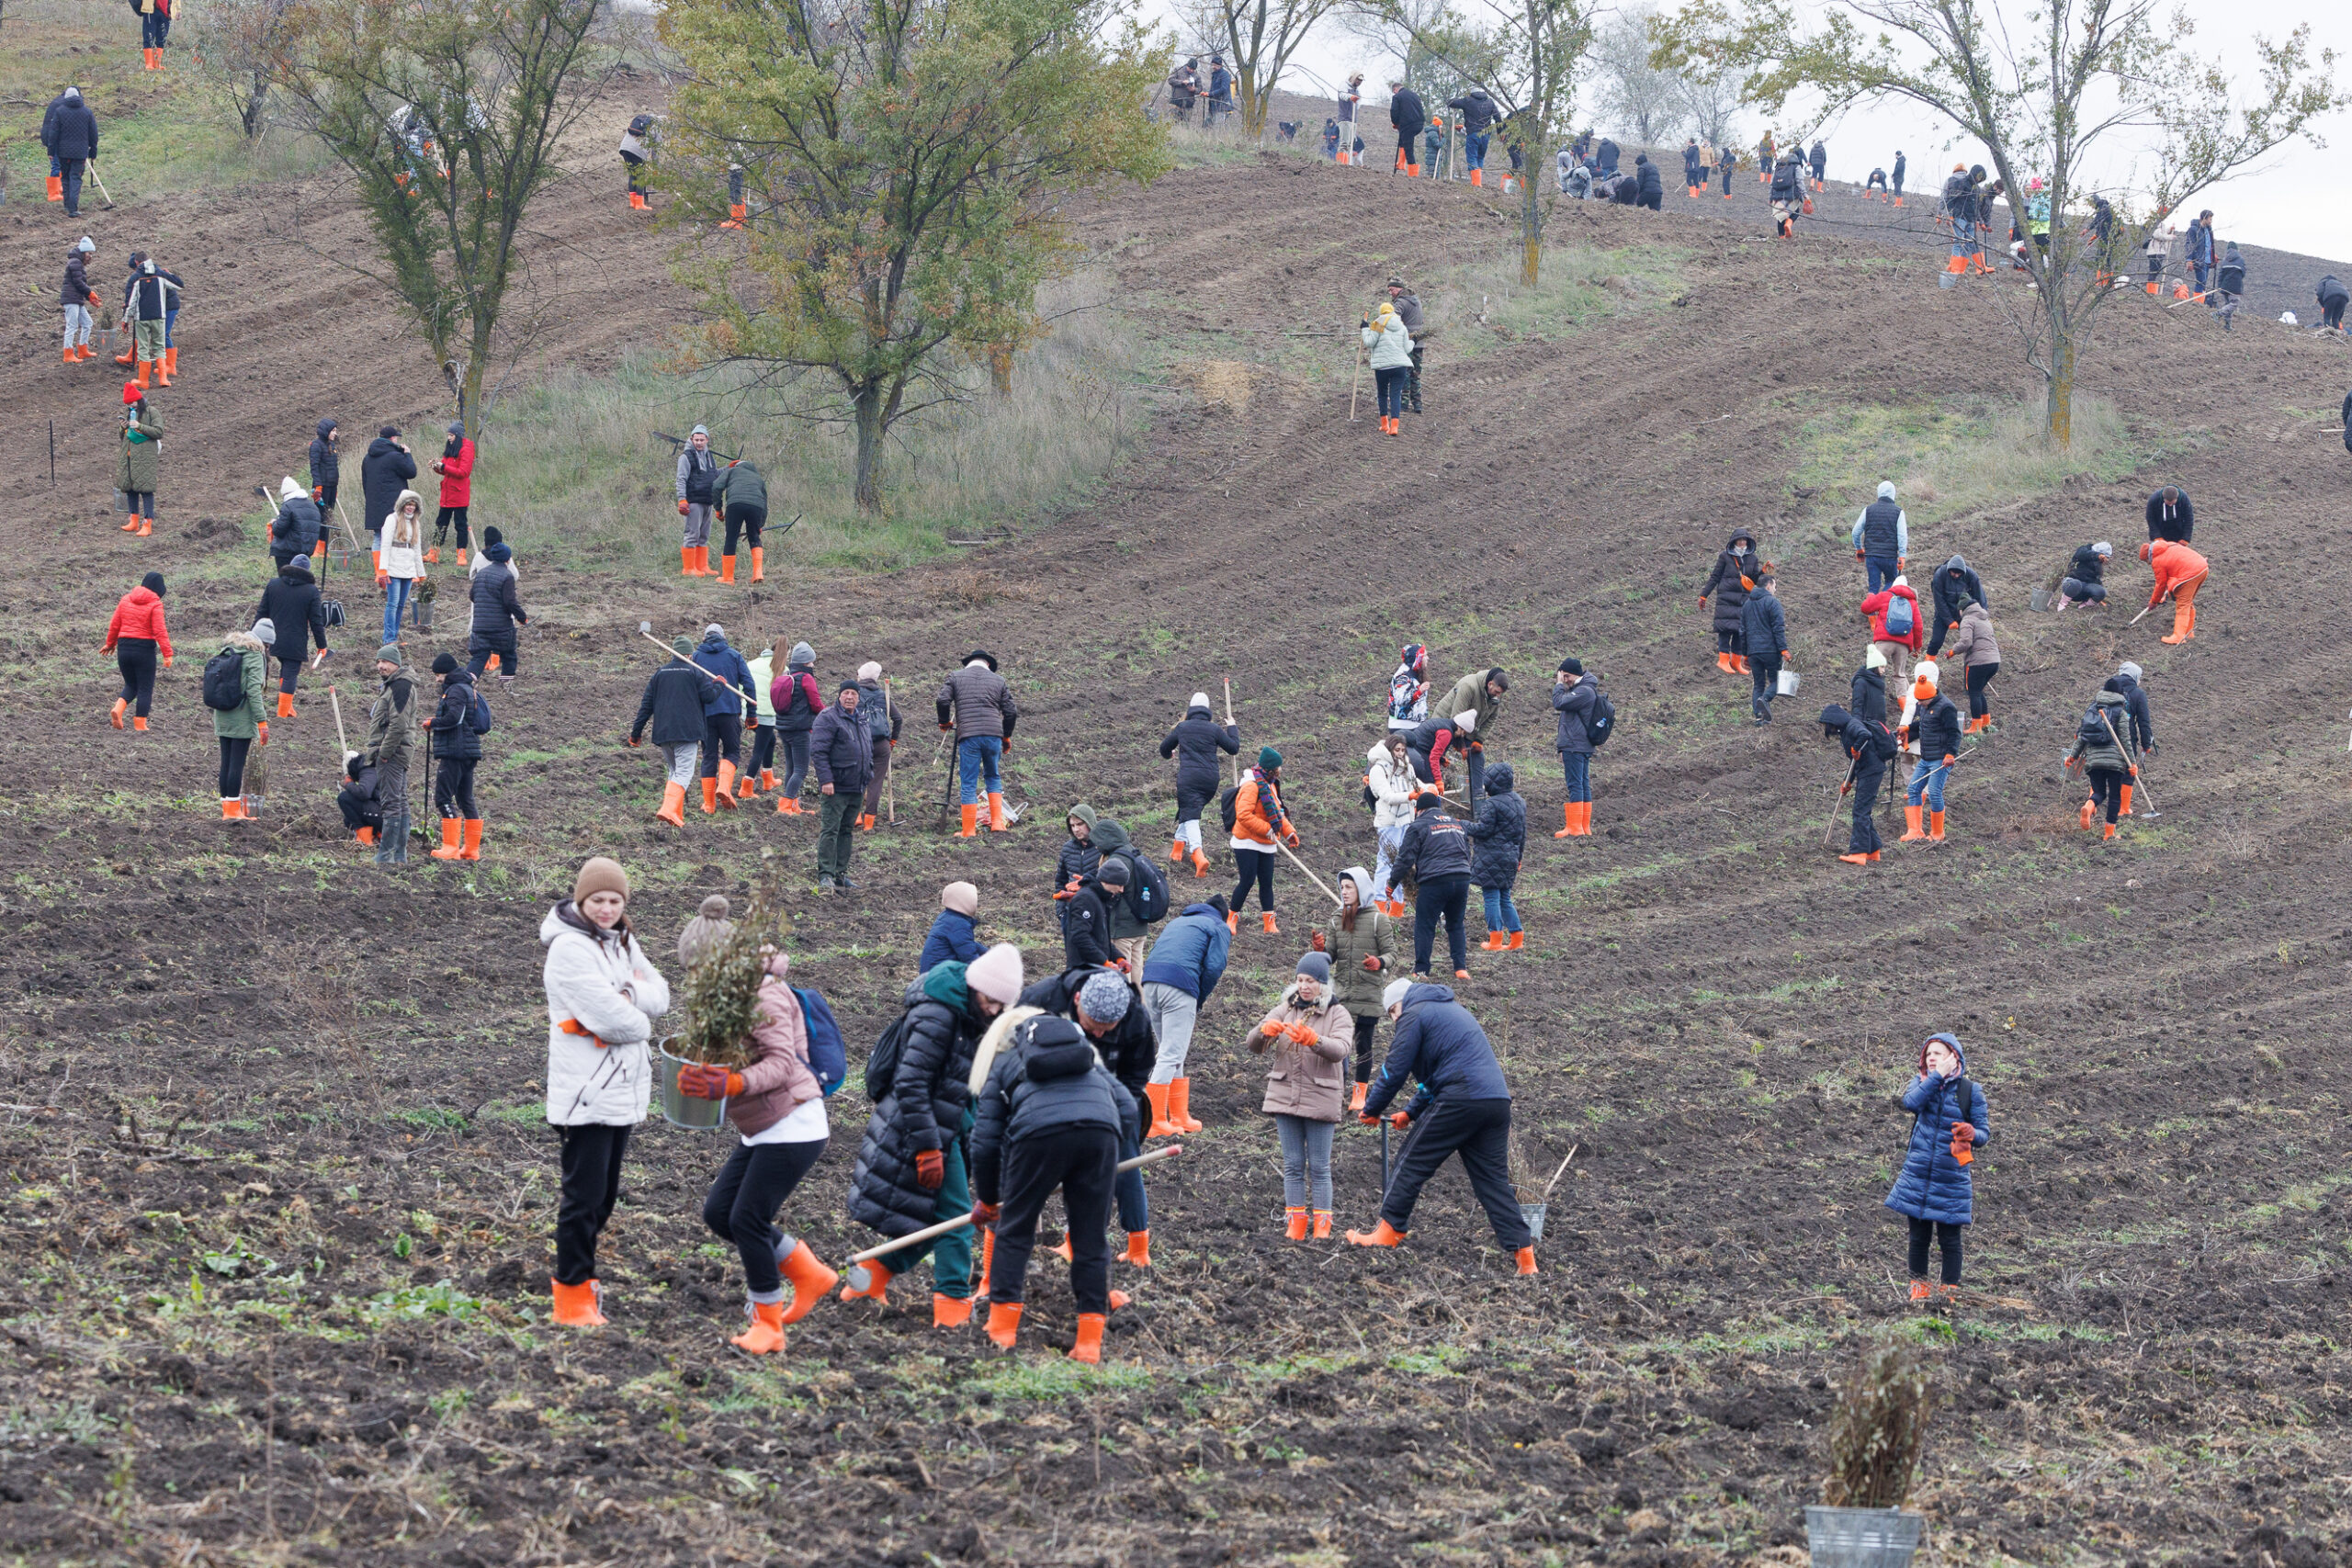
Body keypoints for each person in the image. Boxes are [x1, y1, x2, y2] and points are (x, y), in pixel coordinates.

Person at [842, 942, 1024, 1322]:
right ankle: (953, 1306)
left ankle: (871, 1278)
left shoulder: (974, 1015)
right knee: (958, 1217)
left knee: (934, 1220)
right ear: (976, 986)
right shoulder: (939, 1016)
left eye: (1001, 1006)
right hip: (916, 1130)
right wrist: (928, 1149)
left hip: (948, 1126)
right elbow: (911, 1084)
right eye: (991, 1001)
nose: (994, 1010)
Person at [675, 946, 842, 1353]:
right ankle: (808, 1272)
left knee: (748, 1218)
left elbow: (782, 1063)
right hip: (764, 1125)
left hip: (794, 1125)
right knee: (720, 1214)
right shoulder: (730, 997)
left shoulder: (764, 995)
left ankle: (768, 1324)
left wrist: (731, 1085)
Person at [539, 856, 672, 1326]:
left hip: (620, 1091)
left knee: (605, 1197)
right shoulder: (569, 950)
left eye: (615, 900)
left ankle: (583, 1285)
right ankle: (571, 1294)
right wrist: (635, 1014)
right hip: (586, 1094)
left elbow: (661, 992)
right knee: (583, 1198)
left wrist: (631, 996)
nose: (607, 907)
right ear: (582, 900)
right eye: (598, 899)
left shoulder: (621, 942)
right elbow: (615, 1021)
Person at [968, 1012, 1140, 1362]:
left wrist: (991, 1200)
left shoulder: (1003, 1063)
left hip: (1036, 1137)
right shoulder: (1089, 1060)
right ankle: (1090, 1343)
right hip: (1100, 1132)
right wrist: (1102, 1156)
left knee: (1014, 1231)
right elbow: (1127, 1107)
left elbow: (984, 1143)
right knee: (1090, 1239)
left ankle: (1001, 1330)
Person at [1347, 979, 1536, 1273]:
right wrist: (1409, 1113)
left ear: (1403, 1002)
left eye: (1393, 1011)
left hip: (1461, 1099)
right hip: (1495, 1102)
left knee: (1411, 1161)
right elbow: (1436, 1076)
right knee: (1492, 1182)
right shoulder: (1449, 1011)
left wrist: (1372, 1109)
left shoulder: (1415, 1013)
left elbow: (1394, 1069)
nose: (1395, 1018)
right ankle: (1525, 1258)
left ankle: (1387, 1234)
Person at [1018, 966, 1157, 1266]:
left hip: (1112, 1092)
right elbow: (1009, 1041)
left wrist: (1122, 1108)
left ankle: (1138, 1247)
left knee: (1125, 1157)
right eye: (1092, 1026)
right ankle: (1064, 1241)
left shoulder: (1135, 1017)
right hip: (1049, 1089)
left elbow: (1137, 1072)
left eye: (1107, 1030)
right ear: (1077, 999)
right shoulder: (1043, 999)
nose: (1096, 1035)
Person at [1242, 951, 1351, 1240]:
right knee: (1292, 1165)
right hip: (1285, 1095)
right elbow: (1253, 1043)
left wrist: (1315, 1040)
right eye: (1300, 980)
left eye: (1311, 981)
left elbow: (1341, 1049)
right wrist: (1264, 1032)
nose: (1304, 986)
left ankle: (1323, 1228)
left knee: (1318, 1166)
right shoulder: (1285, 1009)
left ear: (1322, 984)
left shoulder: (1338, 1013)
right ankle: (1296, 1225)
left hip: (1320, 1097)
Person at [1884, 1032, 1988, 1302]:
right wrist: (1937, 1077)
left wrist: (1970, 1133)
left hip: (1951, 1178)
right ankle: (1918, 1294)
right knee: (1918, 1239)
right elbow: (1911, 1103)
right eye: (1928, 1054)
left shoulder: (1970, 1091)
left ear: (1954, 1057)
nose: (1931, 1058)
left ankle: (1948, 1296)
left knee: (1950, 1241)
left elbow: (1983, 1135)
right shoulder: (1921, 1085)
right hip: (1917, 1175)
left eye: (1938, 1054)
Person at [1137, 895, 1232, 1138]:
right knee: (1171, 1053)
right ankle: (1154, 1119)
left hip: (1150, 983)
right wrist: (1198, 997)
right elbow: (1214, 967)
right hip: (1179, 986)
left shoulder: (1179, 921)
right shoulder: (1218, 926)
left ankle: (1179, 1116)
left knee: (1171, 1051)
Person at [628, 636, 713, 827]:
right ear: (690, 654)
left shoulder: (660, 673)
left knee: (674, 771)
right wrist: (719, 685)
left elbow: (646, 706)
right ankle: (667, 809)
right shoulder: (694, 672)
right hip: (687, 733)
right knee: (683, 772)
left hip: (664, 733)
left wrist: (636, 733)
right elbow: (709, 697)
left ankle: (675, 815)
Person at [1387, 791, 1472, 979]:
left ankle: (1421, 970)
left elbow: (1405, 858)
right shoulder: (1456, 823)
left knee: (1425, 924)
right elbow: (1467, 852)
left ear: (1419, 810)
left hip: (1435, 880)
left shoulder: (1418, 825)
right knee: (1456, 923)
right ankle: (1460, 968)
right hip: (1462, 878)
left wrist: (1392, 883)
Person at [936, 649, 1018, 836]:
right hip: (993, 736)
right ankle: (998, 823)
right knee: (993, 776)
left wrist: (944, 722)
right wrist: (1006, 736)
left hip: (969, 736)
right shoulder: (999, 680)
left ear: (969, 663)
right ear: (988, 664)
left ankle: (969, 830)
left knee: (969, 781)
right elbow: (1011, 711)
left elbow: (942, 700)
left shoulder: (955, 677)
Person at [1159, 690, 1238, 875]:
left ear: (1191, 709)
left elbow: (1164, 748)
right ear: (1207, 711)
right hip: (1210, 781)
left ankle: (1197, 854)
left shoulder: (1182, 727)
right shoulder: (1215, 729)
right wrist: (1232, 727)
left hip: (1189, 779)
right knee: (1189, 810)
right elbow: (1233, 748)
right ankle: (1177, 851)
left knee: (1192, 817)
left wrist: (1170, 754)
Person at [808, 681, 873, 889]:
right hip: (835, 787)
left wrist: (867, 777)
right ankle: (825, 874)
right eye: (846, 693)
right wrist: (826, 780)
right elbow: (819, 751)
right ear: (839, 696)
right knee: (831, 830)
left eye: (854, 693)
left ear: (858, 698)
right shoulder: (827, 718)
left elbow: (867, 750)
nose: (850, 697)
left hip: (856, 786)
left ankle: (840, 874)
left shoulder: (861, 719)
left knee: (846, 831)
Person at [1228, 748, 1297, 936]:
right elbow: (1243, 815)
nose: (1280, 770)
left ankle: (1269, 922)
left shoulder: (1271, 785)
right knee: (1247, 881)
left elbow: (1277, 813)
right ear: (1270, 769)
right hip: (1247, 841)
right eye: (1277, 767)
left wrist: (1289, 832)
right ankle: (1231, 918)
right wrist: (1267, 829)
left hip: (1267, 843)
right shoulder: (1251, 786)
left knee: (1266, 882)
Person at [690, 623, 756, 811]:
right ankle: (724, 789)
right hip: (730, 713)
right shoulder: (733, 656)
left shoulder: (696, 657)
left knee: (709, 755)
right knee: (732, 752)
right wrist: (751, 715)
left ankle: (709, 805)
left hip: (706, 715)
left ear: (705, 637)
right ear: (723, 637)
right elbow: (749, 685)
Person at [1820, 701, 1895, 865]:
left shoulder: (1852, 725)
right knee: (1864, 811)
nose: (1829, 729)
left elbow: (1865, 735)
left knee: (1860, 811)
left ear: (1834, 721)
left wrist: (1855, 747)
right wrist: (1847, 781)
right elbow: (1855, 761)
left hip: (1871, 771)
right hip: (1867, 770)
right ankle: (1873, 851)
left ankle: (1858, 852)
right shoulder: (1846, 730)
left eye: (1828, 725)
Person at [254, 553, 327, 718]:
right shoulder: (311, 591)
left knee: (285, 670)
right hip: (295, 642)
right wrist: (322, 645)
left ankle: (287, 707)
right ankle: (282, 713)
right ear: (307, 571)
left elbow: (261, 612)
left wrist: (252, 635)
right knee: (290, 674)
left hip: (273, 640)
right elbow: (316, 621)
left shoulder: (273, 585)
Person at [210, 620, 270, 818]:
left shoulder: (228, 650)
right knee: (237, 763)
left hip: (222, 712)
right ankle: (234, 812)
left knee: (226, 762)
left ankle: (227, 810)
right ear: (262, 642)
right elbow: (254, 691)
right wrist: (262, 721)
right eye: (268, 645)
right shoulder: (254, 655)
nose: (268, 650)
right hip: (242, 715)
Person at [2064, 682, 2139, 840]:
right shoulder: (2120, 712)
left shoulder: (2092, 709)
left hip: (2093, 761)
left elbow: (2082, 736)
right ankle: (2109, 833)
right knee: (2114, 796)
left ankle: (2089, 806)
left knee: (2099, 792)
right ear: (2120, 694)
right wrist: (2132, 763)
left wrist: (2073, 756)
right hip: (2115, 762)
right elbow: (2125, 740)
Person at [360, 644, 414, 863]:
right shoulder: (394, 685)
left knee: (392, 803)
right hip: (397, 751)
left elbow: (398, 724)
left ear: (397, 664)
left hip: (393, 753)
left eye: (385, 662)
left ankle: (386, 854)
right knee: (399, 800)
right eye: (378, 661)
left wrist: (384, 752)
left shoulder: (400, 686)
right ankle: (399, 854)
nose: (380, 666)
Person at [104, 571, 173, 733]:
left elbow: (115, 624)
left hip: (124, 648)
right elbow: (160, 630)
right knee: (144, 687)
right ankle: (140, 724)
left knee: (131, 684)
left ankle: (118, 709)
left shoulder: (126, 599)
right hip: (144, 650)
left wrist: (110, 644)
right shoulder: (155, 604)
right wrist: (167, 653)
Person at [1899, 661, 1959, 844]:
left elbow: (1954, 733)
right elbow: (1925, 724)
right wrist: (1909, 728)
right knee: (1914, 789)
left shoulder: (1946, 708)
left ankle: (1937, 832)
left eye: (1921, 701)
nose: (1919, 704)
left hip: (1940, 760)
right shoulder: (1925, 706)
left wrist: (1950, 754)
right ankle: (1915, 830)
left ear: (1930, 696)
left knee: (1934, 793)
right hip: (1926, 758)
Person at [1466, 763, 1524, 951]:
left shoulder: (1492, 803)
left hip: (1491, 857)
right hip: (1512, 856)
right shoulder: (1519, 801)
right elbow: (1523, 834)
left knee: (1491, 897)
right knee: (1505, 898)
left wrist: (1463, 825)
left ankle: (1495, 940)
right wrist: (1519, 858)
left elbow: (1483, 830)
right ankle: (1516, 940)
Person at [1433, 666, 1509, 805]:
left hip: (1466, 728)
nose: (1498, 696)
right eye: (1497, 692)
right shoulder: (1469, 686)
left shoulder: (1495, 696)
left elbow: (1491, 719)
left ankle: (1478, 803)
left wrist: (1479, 740)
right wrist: (1460, 745)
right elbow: (1456, 718)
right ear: (1490, 684)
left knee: (1478, 758)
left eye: (1500, 693)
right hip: (1446, 723)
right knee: (1436, 758)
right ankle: (1430, 799)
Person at [1366, 733, 1419, 913]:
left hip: (1406, 820)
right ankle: (1380, 904)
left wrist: (1428, 789)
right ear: (1389, 749)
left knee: (1403, 863)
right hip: (1388, 822)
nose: (1400, 753)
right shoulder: (1378, 770)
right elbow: (1387, 796)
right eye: (1397, 750)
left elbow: (1416, 784)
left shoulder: (1406, 767)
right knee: (1387, 862)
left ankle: (1397, 908)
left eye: (1403, 750)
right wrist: (1409, 796)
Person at [466, 536, 526, 685]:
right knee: (509, 655)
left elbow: (473, 596)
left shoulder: (481, 574)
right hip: (501, 628)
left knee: (479, 657)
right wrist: (522, 617)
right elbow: (510, 602)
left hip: (479, 626)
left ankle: (465, 684)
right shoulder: (507, 576)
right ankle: (506, 687)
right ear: (507, 560)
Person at [772, 641, 824, 814]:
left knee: (791, 768)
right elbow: (816, 704)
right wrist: (828, 715)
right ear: (805, 663)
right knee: (801, 770)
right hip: (800, 730)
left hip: (784, 728)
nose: (813, 664)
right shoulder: (806, 678)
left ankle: (794, 806)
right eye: (811, 661)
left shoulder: (787, 675)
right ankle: (785, 805)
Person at [1699, 530, 1760, 673]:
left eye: (1744, 540)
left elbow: (1755, 580)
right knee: (1725, 630)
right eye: (1739, 540)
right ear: (1734, 541)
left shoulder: (1752, 558)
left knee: (1740, 631)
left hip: (1744, 600)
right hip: (1726, 600)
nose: (1742, 542)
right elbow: (1715, 577)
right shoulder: (1725, 557)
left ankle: (1736, 662)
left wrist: (1763, 572)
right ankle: (1723, 661)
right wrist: (1704, 595)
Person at [1550, 658, 1599, 838]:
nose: (1565, 680)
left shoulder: (1584, 691)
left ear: (1576, 674)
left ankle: (1575, 828)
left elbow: (1558, 702)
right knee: (1582, 784)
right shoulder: (1585, 689)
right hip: (1580, 745)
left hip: (1575, 745)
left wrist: (1558, 684)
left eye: (1567, 676)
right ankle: (1584, 827)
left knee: (1576, 785)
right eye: (1563, 677)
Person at [358, 426, 416, 575]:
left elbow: (365, 483)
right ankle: (397, 569)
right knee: (398, 537)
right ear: (392, 439)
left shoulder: (367, 458)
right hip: (394, 505)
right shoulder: (395, 456)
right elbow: (411, 472)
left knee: (378, 537)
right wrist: (408, 454)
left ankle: (380, 573)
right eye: (396, 437)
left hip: (374, 505)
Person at [854, 660, 899, 831]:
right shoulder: (882, 695)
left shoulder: (853, 694)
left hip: (859, 743)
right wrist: (892, 741)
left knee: (856, 779)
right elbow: (898, 719)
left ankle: (855, 816)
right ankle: (869, 823)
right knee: (875, 783)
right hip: (882, 745)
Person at [1859, 571, 1922, 692]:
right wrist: (1917, 647)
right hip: (1903, 644)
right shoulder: (1912, 602)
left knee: (1873, 671)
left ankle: (1872, 700)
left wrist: (1871, 596)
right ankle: (1906, 707)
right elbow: (1918, 627)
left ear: (1893, 586)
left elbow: (1865, 608)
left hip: (1884, 641)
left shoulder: (1885, 596)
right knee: (1900, 675)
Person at [1742, 569, 1792, 723]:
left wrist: (1745, 654)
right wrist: (1783, 649)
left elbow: (1742, 631)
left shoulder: (1747, 605)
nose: (1775, 590)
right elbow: (1778, 628)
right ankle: (1765, 700)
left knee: (1758, 684)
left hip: (1753, 652)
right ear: (1769, 586)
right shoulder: (1772, 602)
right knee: (1777, 681)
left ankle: (1759, 717)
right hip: (1770, 650)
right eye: (1775, 586)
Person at [2108, 660, 2156, 816]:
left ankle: (2092, 803)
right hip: (2127, 737)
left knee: (2102, 767)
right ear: (2135, 676)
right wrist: (2146, 743)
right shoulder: (2138, 693)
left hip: (2105, 733)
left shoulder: (2109, 687)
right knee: (2128, 770)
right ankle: (2123, 808)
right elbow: (2144, 721)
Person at [1947, 592, 2001, 734]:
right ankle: (1986, 723)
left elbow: (1966, 642)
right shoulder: (1984, 618)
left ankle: (1975, 727)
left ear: (1962, 609)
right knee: (1978, 691)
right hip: (1994, 661)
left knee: (1974, 693)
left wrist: (1952, 651)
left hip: (1978, 662)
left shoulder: (1967, 620)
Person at [2139, 536, 2208, 644]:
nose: (2148, 563)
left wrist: (2153, 602)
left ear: (2148, 557)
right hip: (2202, 567)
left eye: (2147, 561)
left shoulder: (2157, 561)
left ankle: (2179, 636)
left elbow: (2160, 584)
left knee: (2183, 604)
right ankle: (2189, 633)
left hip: (2190, 574)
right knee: (2188, 602)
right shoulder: (2169, 544)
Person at [42, 88, 99, 217]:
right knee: (76, 177)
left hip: (63, 153)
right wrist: (93, 152)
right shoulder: (87, 112)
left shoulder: (59, 111)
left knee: (66, 177)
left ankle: (68, 206)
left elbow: (53, 134)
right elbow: (94, 135)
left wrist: (51, 151)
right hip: (80, 153)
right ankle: (73, 208)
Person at [115, 381, 162, 536]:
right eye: (129, 404)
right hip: (129, 458)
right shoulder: (131, 412)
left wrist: (139, 426)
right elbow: (124, 437)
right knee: (130, 489)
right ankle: (133, 521)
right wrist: (124, 427)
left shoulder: (152, 412)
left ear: (140, 400)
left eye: (133, 403)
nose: (132, 406)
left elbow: (158, 432)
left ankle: (147, 523)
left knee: (146, 490)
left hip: (145, 458)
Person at [380, 491, 426, 644]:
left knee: (401, 604)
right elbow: (385, 545)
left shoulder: (415, 523)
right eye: (408, 504)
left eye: (413, 505)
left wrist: (421, 574)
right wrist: (383, 569)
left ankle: (394, 634)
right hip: (393, 567)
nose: (410, 508)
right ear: (402, 505)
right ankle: (389, 638)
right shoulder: (391, 519)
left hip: (408, 569)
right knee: (392, 604)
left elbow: (417, 550)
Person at [674, 425, 719, 577]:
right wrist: (682, 500)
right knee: (692, 534)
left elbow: (714, 474)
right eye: (696, 439)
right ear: (692, 439)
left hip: (708, 500)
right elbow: (681, 479)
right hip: (693, 501)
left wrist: (730, 468)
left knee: (704, 535)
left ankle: (702, 566)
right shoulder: (686, 457)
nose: (699, 442)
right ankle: (688, 569)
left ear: (707, 440)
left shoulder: (709, 457)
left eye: (702, 440)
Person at [714, 455, 767, 583]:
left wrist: (718, 509)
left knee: (731, 538)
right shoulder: (759, 479)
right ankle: (758, 574)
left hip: (735, 504)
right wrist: (760, 524)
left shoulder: (732, 471)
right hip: (756, 507)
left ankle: (727, 578)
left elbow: (716, 486)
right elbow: (765, 504)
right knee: (754, 537)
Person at [1363, 299, 1412, 436]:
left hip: (1382, 367)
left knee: (1383, 394)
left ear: (1381, 312)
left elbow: (1369, 342)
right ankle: (1394, 427)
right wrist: (1413, 341)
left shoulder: (1379, 324)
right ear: (1392, 311)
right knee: (1396, 395)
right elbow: (1407, 348)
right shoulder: (1402, 326)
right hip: (1400, 366)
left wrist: (1364, 328)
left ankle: (1385, 425)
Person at [427, 423, 475, 564]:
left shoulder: (466, 448)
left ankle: (461, 555)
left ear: (458, 435)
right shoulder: (451, 448)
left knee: (460, 524)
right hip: (447, 494)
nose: (449, 438)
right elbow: (445, 470)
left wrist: (444, 467)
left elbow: (464, 472)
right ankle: (433, 553)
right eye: (448, 435)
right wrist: (437, 467)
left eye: (451, 435)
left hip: (459, 494)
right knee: (440, 523)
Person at [1055, 804, 1104, 939]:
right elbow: (1060, 881)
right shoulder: (1067, 849)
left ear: (1090, 822)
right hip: (1071, 913)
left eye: (1080, 824)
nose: (1076, 829)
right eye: (1072, 825)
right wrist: (1061, 911)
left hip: (1097, 913)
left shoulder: (1103, 848)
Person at [1850, 480, 1908, 594]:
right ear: (1893, 494)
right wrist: (1902, 555)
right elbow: (1902, 535)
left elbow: (1855, 532)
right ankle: (1882, 603)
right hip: (1889, 557)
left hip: (1871, 556)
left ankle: (1872, 609)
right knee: (1891, 582)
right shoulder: (1898, 512)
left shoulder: (1868, 510)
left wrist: (1859, 549)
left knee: (1873, 587)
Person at [1924, 554, 1986, 657]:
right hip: (1944, 611)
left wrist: (1982, 615)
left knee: (1974, 641)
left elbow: (1980, 597)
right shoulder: (1940, 575)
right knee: (1936, 641)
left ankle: (1974, 665)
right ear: (1949, 570)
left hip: (1965, 613)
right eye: (1954, 573)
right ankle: (1927, 665)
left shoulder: (1971, 576)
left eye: (1959, 574)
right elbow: (1939, 600)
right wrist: (1949, 620)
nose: (1956, 575)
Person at [741, 640, 777, 800]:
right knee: (759, 749)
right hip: (766, 714)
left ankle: (768, 780)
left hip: (747, 711)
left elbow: (741, 685)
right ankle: (746, 787)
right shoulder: (782, 668)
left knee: (771, 740)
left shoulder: (752, 663)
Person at [921, 882, 985, 973]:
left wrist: (990, 953)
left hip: (931, 973)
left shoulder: (947, 917)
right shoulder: (958, 923)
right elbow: (969, 957)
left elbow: (967, 944)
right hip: (941, 977)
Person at [1386, 277, 1428, 414]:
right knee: (1415, 373)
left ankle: (1403, 404)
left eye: (1391, 290)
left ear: (1399, 289)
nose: (1390, 293)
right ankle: (1418, 405)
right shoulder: (1415, 300)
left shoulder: (1401, 303)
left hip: (1406, 343)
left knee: (1404, 373)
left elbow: (1393, 320)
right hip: (1419, 342)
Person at [267, 475, 323, 571]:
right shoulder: (313, 507)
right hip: (306, 552)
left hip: (287, 552)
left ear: (286, 494)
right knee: (301, 578)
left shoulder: (288, 506)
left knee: (285, 580)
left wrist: (274, 523)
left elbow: (279, 531)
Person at [1448, 86, 1499, 186]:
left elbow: (1451, 103)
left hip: (1473, 133)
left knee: (1472, 158)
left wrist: (1454, 98)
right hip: (1486, 134)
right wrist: (1500, 132)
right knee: (1480, 157)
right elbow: (1498, 117)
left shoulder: (1468, 101)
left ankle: (1476, 184)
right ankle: (1477, 182)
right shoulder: (1490, 102)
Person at [62, 237, 101, 365]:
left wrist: (88, 297)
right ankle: (68, 354)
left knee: (88, 323)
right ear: (84, 252)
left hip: (76, 299)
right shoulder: (75, 263)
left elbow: (78, 284)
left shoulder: (76, 263)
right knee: (72, 326)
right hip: (71, 299)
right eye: (89, 253)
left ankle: (83, 350)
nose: (90, 256)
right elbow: (78, 282)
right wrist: (90, 293)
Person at [337, 753, 383, 848]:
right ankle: (379, 834)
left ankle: (365, 837)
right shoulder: (374, 769)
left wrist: (349, 784)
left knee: (344, 798)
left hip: (383, 816)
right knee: (348, 820)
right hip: (387, 814)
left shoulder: (368, 771)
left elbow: (364, 793)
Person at [2055, 540, 2112, 610]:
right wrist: (2097, 555)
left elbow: (2096, 579)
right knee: (2076, 584)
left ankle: (2083, 606)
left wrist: (2099, 596)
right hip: (2071, 583)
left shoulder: (2097, 564)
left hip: (2085, 588)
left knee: (2101, 591)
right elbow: (2082, 555)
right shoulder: (2084, 550)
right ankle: (2062, 604)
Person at [1387, 642, 1430, 733]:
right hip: (1403, 727)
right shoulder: (1404, 676)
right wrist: (1419, 692)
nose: (1427, 658)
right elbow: (1400, 700)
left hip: (1413, 725)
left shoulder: (1414, 673)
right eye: (1425, 656)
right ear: (1417, 658)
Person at [1387, 78, 1425, 175]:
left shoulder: (1397, 97)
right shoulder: (1415, 95)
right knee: (1403, 141)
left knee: (1409, 148)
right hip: (1419, 124)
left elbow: (1394, 111)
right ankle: (1400, 164)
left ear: (1395, 89)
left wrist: (1395, 123)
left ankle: (1413, 173)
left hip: (1408, 125)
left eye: (1394, 92)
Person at [308, 418, 342, 523]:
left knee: (329, 516)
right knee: (321, 517)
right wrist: (318, 486)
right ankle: (320, 539)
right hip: (322, 488)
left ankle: (326, 539)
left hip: (332, 486)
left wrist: (335, 486)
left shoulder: (331, 445)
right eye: (333, 431)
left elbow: (333, 466)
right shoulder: (316, 445)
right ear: (326, 431)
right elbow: (314, 467)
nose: (335, 433)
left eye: (335, 430)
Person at [619, 111, 655, 210]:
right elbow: (656, 151)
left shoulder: (639, 120)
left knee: (632, 174)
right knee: (640, 176)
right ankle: (639, 205)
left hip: (624, 148)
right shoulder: (656, 128)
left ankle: (633, 203)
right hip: (637, 151)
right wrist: (657, 167)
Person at [1850, 644, 1890, 728]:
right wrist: (1858, 727)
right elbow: (1857, 706)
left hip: (1878, 726)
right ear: (1874, 666)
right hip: (1867, 726)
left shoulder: (1879, 683)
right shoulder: (1861, 682)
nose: (1884, 670)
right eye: (1882, 667)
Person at [1770, 150, 1805, 238]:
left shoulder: (1779, 165)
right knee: (1796, 211)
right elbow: (1800, 181)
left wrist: (1771, 196)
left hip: (1777, 194)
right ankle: (1788, 224)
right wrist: (1805, 194)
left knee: (1780, 215)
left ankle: (1781, 237)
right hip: (1791, 194)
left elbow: (1772, 182)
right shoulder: (1796, 166)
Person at [2213, 243, 2245, 331]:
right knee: (2234, 303)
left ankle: (2227, 325)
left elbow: (2221, 274)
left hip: (2225, 285)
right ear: (2237, 249)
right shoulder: (2240, 260)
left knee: (2228, 304)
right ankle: (2218, 314)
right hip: (2235, 286)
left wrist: (2220, 286)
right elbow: (2243, 273)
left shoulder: (2224, 260)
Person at [2184, 210, 2214, 296]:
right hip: (2199, 260)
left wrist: (2212, 256)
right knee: (2200, 282)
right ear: (2204, 218)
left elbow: (2210, 244)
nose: (2211, 221)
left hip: (2207, 261)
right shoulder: (2193, 229)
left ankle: (2200, 302)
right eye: (2210, 219)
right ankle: (2197, 303)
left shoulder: (2208, 230)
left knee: (2203, 283)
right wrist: (2189, 260)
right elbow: (2189, 244)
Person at [1336, 73, 1363, 165]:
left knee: (1351, 144)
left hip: (1353, 119)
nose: (1359, 82)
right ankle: (1341, 164)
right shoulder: (1344, 85)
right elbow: (1342, 95)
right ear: (1353, 78)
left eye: (1360, 81)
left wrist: (1357, 102)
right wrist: (1350, 97)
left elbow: (1359, 103)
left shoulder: (1357, 90)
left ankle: (1347, 163)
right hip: (1345, 118)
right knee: (1344, 143)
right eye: (1357, 80)